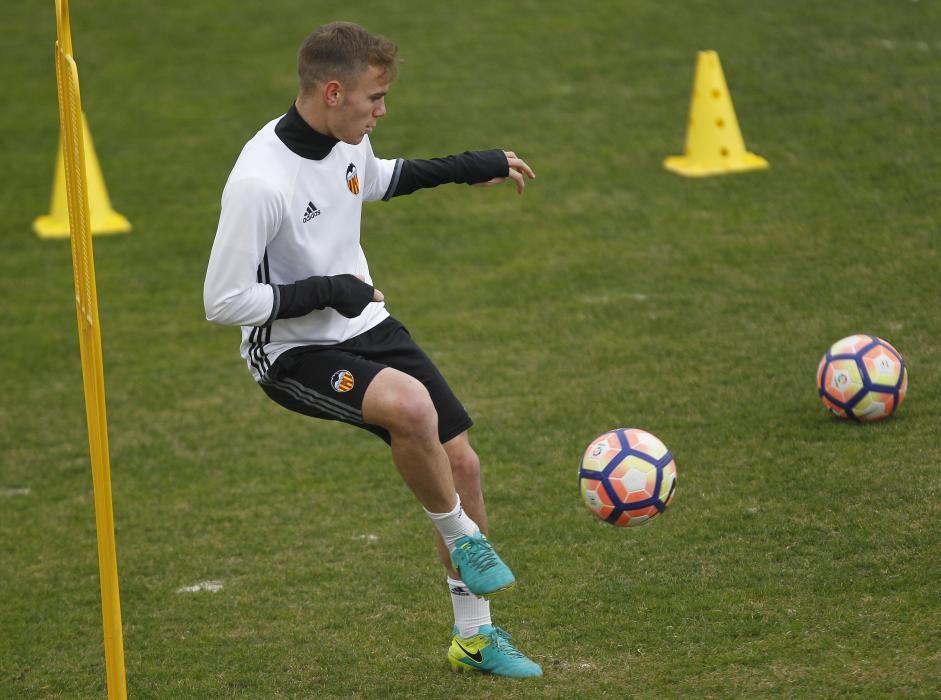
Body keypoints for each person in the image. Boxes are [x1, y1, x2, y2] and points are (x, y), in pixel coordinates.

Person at [203, 21, 541, 678]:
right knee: (411, 408)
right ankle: (461, 538)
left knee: (462, 466)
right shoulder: (259, 183)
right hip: (291, 349)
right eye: (374, 99)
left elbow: (375, 179)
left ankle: (474, 639)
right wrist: (331, 288)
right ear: (333, 92)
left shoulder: (344, 141)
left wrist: (472, 166)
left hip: (362, 320)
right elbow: (223, 301)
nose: (382, 112)